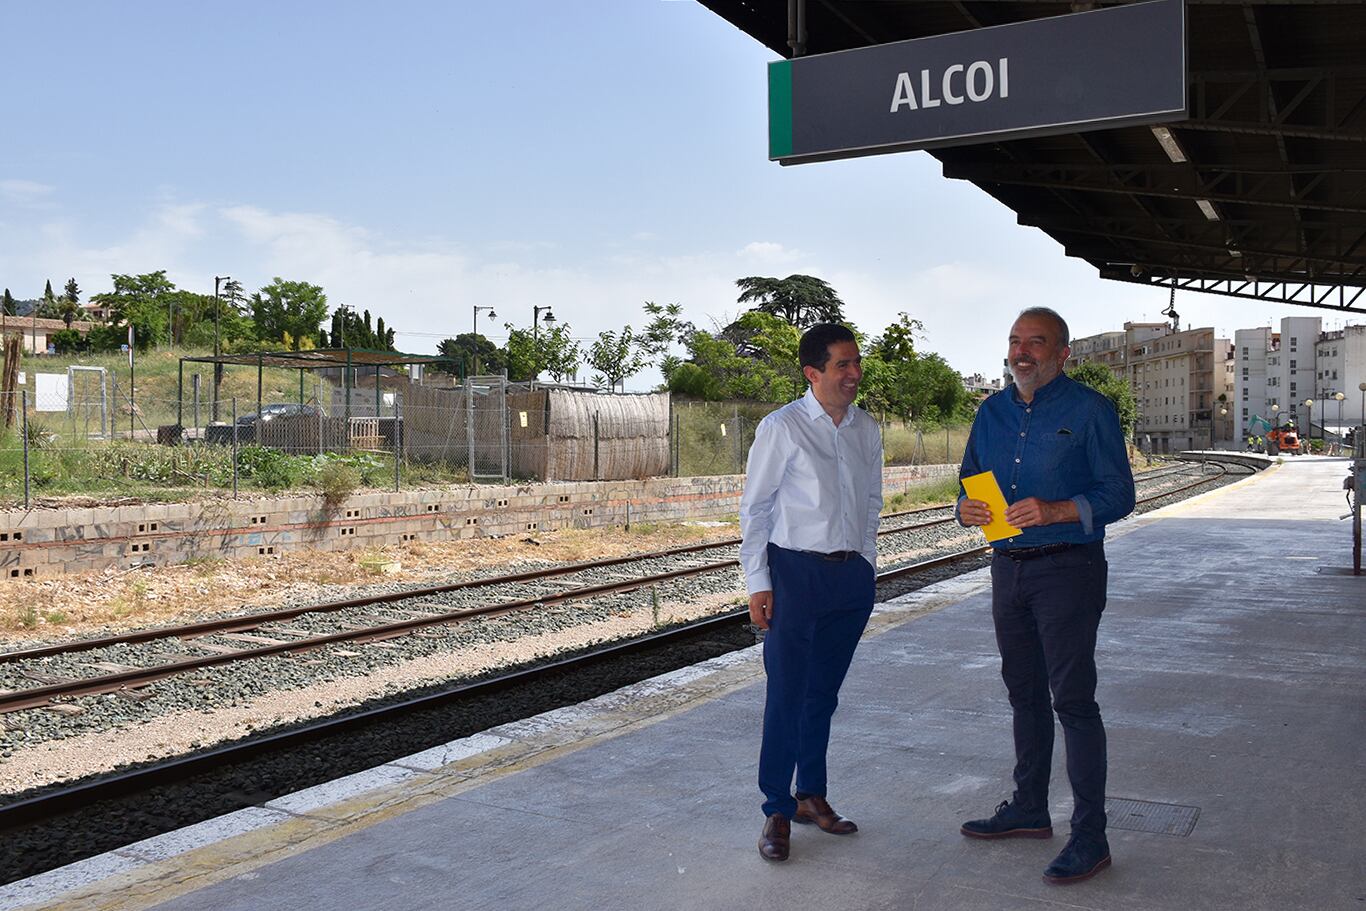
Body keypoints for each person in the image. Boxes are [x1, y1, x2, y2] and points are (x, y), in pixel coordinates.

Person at [956, 307, 1135, 885]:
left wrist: (1059, 509)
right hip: (1008, 570)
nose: (1021, 352)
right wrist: (965, 509)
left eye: (1036, 343)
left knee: (1074, 702)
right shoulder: (990, 411)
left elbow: (1119, 493)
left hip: (1069, 570)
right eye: (1014, 341)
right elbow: (968, 481)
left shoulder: (1090, 410)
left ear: (1062, 355)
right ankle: (1030, 808)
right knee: (1024, 695)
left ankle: (1092, 836)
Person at [739, 322, 883, 863]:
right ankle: (776, 809)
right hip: (795, 575)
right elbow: (755, 508)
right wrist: (759, 582)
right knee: (786, 695)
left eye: (856, 363)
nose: (854, 373)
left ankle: (810, 795)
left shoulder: (866, 429)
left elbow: (871, 503)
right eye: (843, 364)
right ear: (813, 373)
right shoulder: (783, 428)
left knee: (823, 693)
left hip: (849, 578)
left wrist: (866, 564)